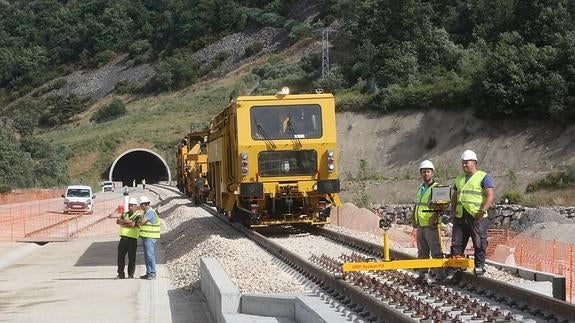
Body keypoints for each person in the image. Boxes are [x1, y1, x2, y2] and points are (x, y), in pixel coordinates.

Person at [446, 149, 494, 280]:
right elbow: (455, 195)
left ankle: (479, 266)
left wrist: (482, 210)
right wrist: (453, 210)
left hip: (477, 217)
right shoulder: (460, 178)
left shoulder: (484, 177)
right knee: (457, 244)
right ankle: (455, 267)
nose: (464, 165)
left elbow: (490, 196)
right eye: (462, 163)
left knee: (479, 243)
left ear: (474, 162)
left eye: (466, 163)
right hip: (461, 217)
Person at [412, 160, 444, 282]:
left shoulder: (438, 188)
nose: (426, 174)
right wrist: (413, 219)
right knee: (422, 252)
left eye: (428, 172)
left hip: (431, 226)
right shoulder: (421, 188)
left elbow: (441, 207)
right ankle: (423, 274)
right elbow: (417, 204)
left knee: (436, 252)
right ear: (421, 173)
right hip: (421, 226)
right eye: (424, 172)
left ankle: (440, 276)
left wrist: (433, 218)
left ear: (432, 173)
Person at [115, 198, 142, 279]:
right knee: (120, 258)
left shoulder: (138, 216)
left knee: (132, 258)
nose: (130, 207)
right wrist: (127, 222)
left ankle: (130, 274)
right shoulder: (125, 214)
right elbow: (117, 221)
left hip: (132, 240)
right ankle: (120, 274)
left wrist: (123, 222)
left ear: (136, 207)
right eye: (129, 205)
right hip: (123, 239)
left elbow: (133, 224)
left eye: (132, 206)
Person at [138, 195, 161, 280]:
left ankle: (152, 273)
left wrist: (139, 222)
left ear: (145, 204)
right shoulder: (145, 212)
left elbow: (142, 222)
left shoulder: (150, 212)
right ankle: (148, 273)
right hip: (146, 237)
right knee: (147, 256)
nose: (140, 206)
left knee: (150, 255)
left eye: (141, 205)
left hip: (150, 237)